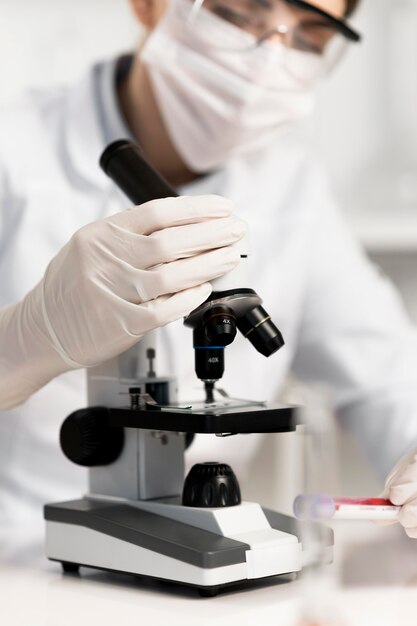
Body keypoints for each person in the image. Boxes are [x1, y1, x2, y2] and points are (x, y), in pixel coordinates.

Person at [1, 0, 417, 537]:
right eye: (242, 11)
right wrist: (27, 339)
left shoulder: (291, 186)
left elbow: (389, 376)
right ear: (149, 6)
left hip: (207, 566)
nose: (269, 58)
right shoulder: (13, 151)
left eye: (310, 36)